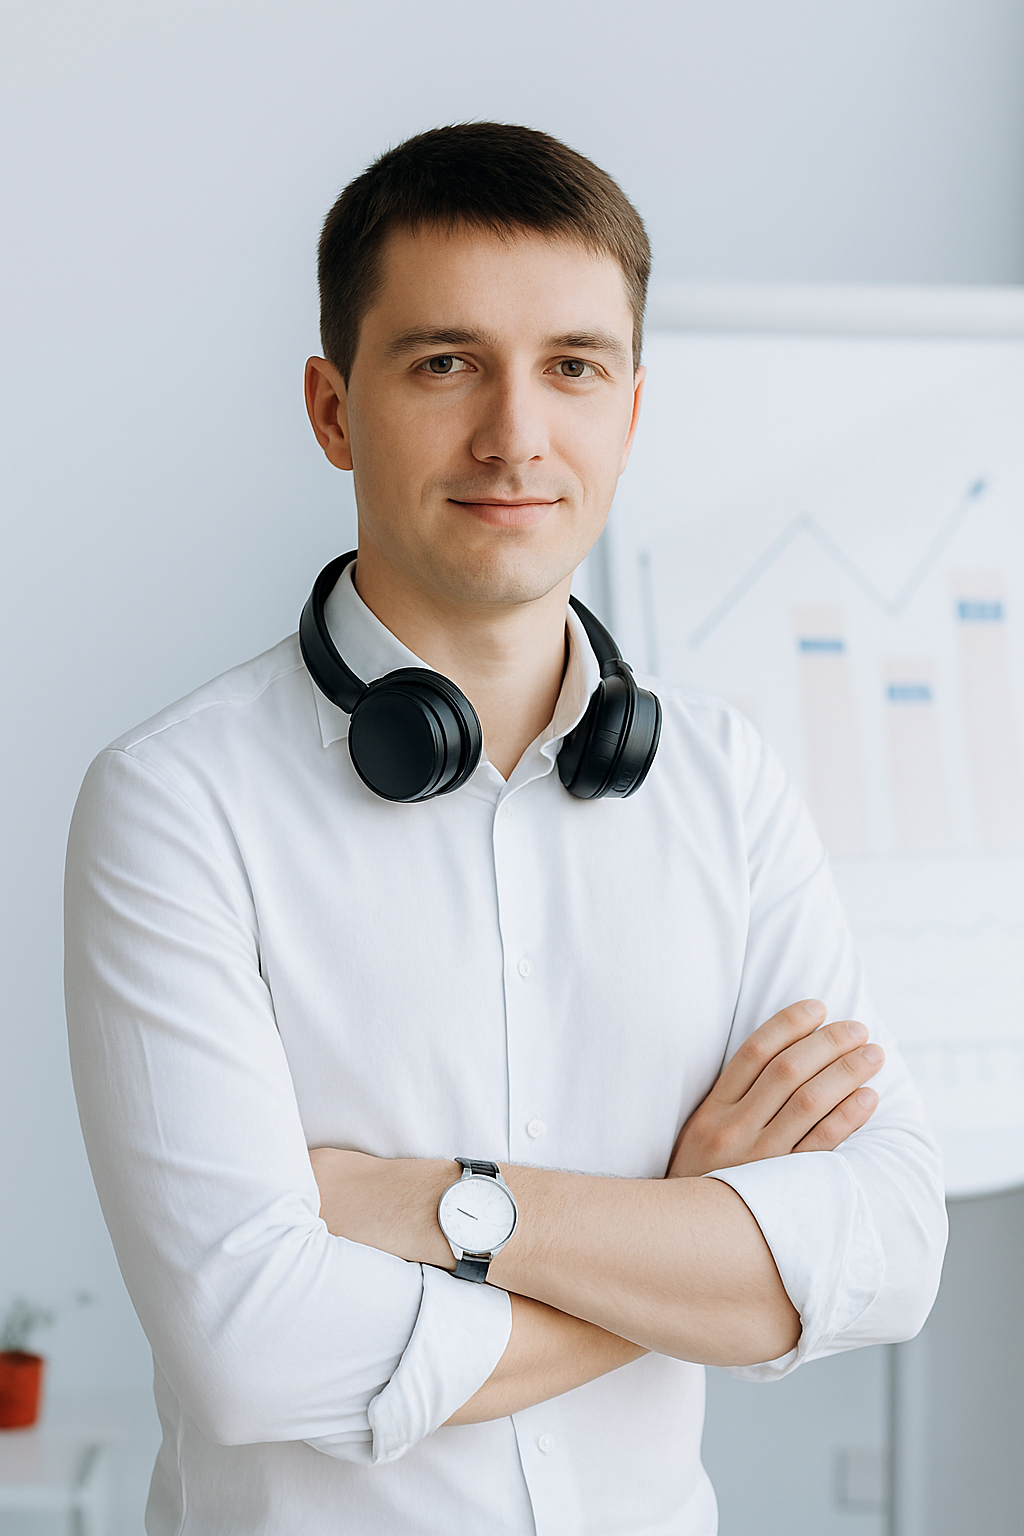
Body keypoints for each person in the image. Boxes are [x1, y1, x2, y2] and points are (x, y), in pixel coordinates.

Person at [65, 123, 947, 1535]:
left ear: (633, 411)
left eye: (574, 369)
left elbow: (892, 1248)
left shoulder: (727, 783)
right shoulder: (175, 806)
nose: (517, 437)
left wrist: (443, 1210)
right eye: (446, 363)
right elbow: (249, 1348)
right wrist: (688, 1236)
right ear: (334, 408)